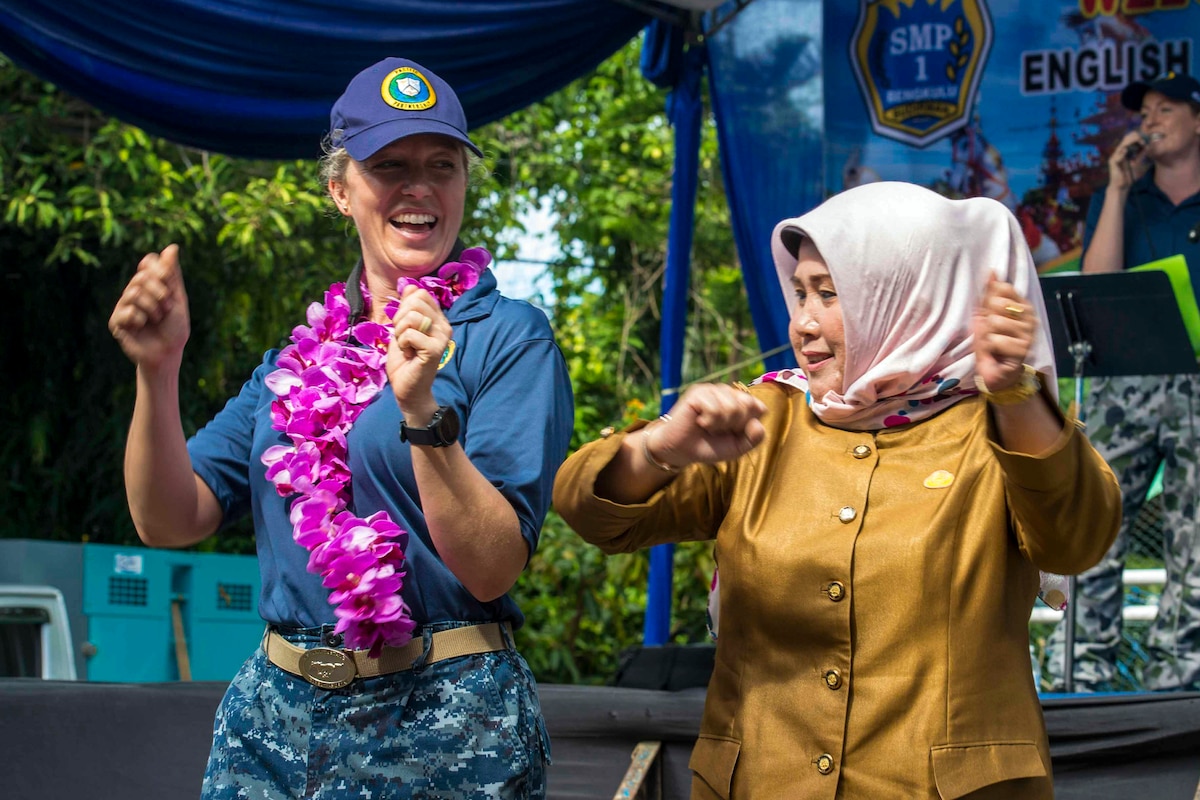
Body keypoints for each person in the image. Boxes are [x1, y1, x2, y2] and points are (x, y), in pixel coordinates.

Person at [553, 181, 1120, 799]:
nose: (802, 323)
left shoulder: (1001, 428)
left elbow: (1077, 541)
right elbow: (593, 515)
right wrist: (658, 448)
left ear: (910, 296)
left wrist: (1018, 398)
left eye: (830, 293)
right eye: (799, 293)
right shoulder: (760, 421)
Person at [107, 56, 573, 799]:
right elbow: (168, 517)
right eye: (389, 166)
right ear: (339, 190)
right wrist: (157, 371)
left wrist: (422, 413)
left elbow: (491, 567)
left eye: (441, 165)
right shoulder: (292, 366)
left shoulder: (506, 337)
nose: (418, 187)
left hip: (444, 715)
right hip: (272, 716)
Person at [1046, 72, 1200, 693]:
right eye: (1146, 110)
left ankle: (1179, 678)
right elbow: (1097, 281)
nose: (1152, 118)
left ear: (1197, 122)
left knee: (1193, 542)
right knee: (1097, 522)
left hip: (1197, 386)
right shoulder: (1123, 198)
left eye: (1167, 108)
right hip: (1125, 385)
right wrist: (1114, 187)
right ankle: (1078, 672)